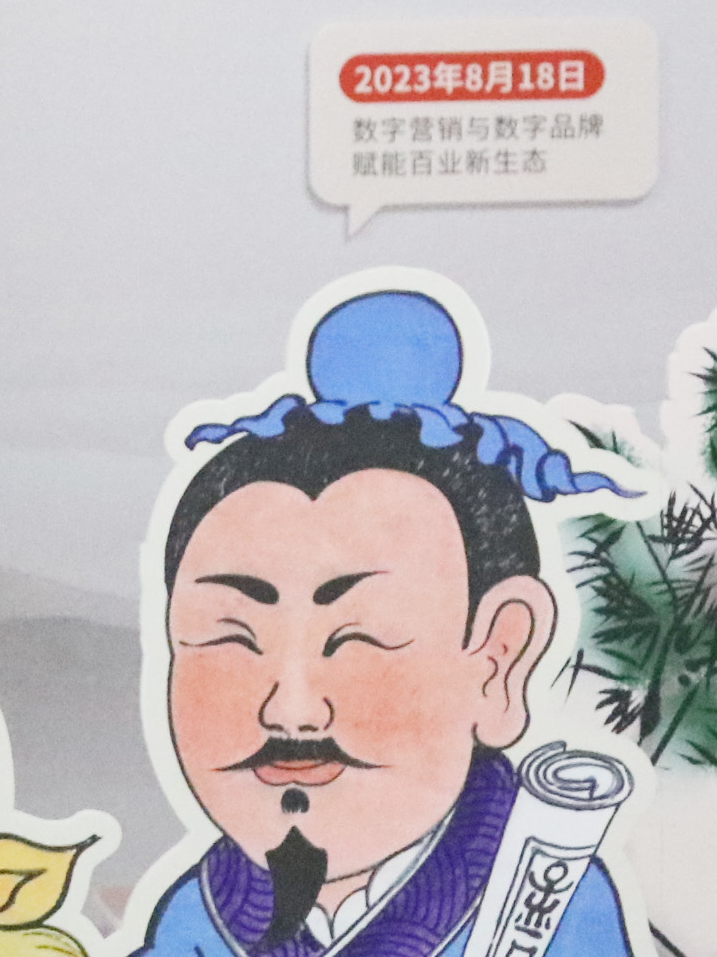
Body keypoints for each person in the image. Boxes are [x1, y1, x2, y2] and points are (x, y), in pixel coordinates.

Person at [138, 288, 636, 957]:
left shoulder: (552, 900)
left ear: (497, 659)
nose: (291, 711)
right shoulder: (199, 917)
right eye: (230, 637)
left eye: (359, 638)